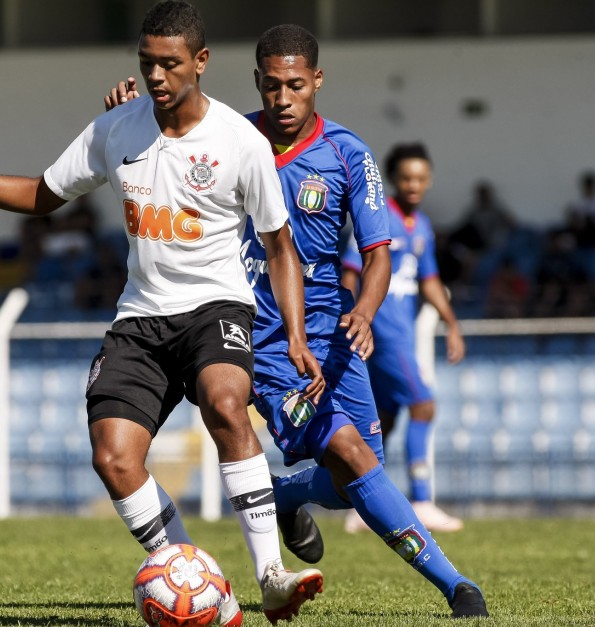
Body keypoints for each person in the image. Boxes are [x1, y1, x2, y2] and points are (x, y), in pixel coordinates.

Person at [0, 3, 325, 625]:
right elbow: (41, 194)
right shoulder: (116, 128)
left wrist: (294, 335)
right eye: (147, 63)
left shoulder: (242, 142)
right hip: (141, 318)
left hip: (217, 307)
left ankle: (271, 576)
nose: (157, 76)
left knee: (224, 401)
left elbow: (278, 245)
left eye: (170, 63)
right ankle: (194, 583)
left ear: (201, 63)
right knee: (113, 457)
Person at [106, 22, 488, 620]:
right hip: (260, 337)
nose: (282, 100)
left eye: (295, 86)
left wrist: (363, 310)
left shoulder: (347, 154)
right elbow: (161, 140)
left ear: (316, 82)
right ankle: (457, 586)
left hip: (334, 333)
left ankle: (281, 495)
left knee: (355, 474)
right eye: (270, 87)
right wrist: (130, 114)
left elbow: (377, 252)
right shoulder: (226, 138)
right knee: (349, 452)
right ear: (256, 82)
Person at [340, 143, 468, 534]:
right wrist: (353, 318)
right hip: (382, 333)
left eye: (421, 178)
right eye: (407, 178)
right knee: (424, 406)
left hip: (402, 333)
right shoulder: (378, 219)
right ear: (394, 179)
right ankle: (423, 499)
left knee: (385, 419)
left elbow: (428, 279)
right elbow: (350, 272)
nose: (414, 185)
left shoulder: (422, 226)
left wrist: (451, 323)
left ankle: (362, 503)